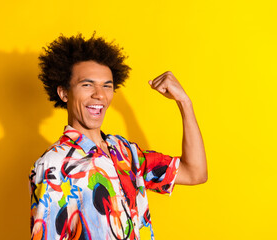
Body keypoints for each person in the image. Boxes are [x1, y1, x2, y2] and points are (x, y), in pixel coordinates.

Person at [29, 33, 207, 240]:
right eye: (87, 84)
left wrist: (184, 102)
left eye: (107, 85)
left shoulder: (125, 152)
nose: (100, 94)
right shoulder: (52, 165)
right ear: (64, 93)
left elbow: (195, 173)